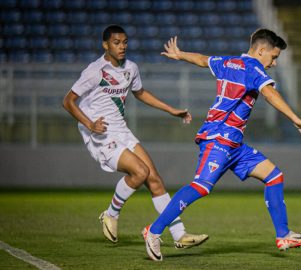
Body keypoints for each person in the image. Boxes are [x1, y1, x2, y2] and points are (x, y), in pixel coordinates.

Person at [142, 29, 301, 261]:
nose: (273, 63)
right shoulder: (254, 69)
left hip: (235, 144)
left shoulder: (228, 62)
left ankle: (283, 235)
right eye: (273, 57)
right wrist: (295, 118)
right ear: (261, 50)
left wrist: (180, 54)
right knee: (201, 187)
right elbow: (270, 94)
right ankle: (153, 231)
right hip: (219, 138)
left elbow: (203, 60)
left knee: (274, 176)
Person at [62, 24, 208, 249]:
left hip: (122, 130)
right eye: (116, 43)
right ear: (105, 45)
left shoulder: (131, 67)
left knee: (154, 179)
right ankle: (111, 214)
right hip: (101, 134)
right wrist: (90, 124)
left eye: (125, 42)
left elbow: (140, 93)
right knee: (140, 172)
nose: (122, 47)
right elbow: (68, 101)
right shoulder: (95, 70)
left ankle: (180, 234)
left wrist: (171, 110)